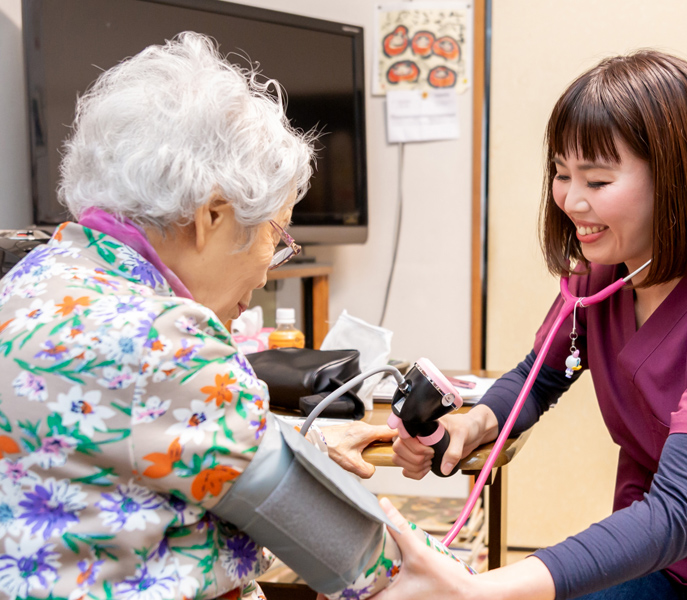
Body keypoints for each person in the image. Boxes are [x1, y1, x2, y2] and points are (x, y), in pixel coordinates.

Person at [0, 32, 453, 600]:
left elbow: (123, 457)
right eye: (274, 233)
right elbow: (364, 558)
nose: (268, 270)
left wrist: (294, 455)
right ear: (212, 216)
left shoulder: (28, 282)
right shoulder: (165, 339)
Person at [387, 49, 687, 600]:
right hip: (656, 556)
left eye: (598, 180)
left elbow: (679, 510)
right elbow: (542, 373)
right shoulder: (601, 279)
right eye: (561, 174)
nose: (571, 200)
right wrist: (475, 423)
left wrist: (478, 589)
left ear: (679, 179)